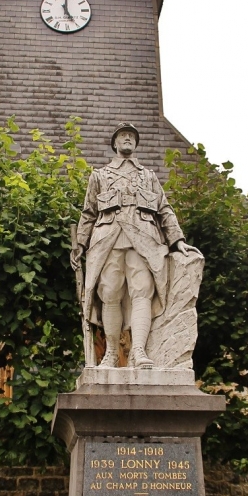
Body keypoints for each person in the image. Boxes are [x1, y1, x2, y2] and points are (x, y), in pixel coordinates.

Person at [71, 123, 197, 369]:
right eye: (122, 136)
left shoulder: (149, 176)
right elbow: (88, 213)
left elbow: (164, 210)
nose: (127, 139)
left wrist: (178, 241)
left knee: (142, 292)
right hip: (108, 239)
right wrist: (80, 245)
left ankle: (139, 350)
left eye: (131, 136)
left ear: (136, 143)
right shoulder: (99, 176)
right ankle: (110, 354)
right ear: (115, 144)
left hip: (144, 240)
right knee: (109, 294)